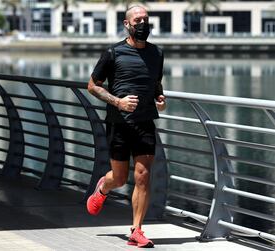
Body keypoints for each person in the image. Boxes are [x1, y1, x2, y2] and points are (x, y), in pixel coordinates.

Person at [86, 4, 166, 248]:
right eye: (137, 20)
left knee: (143, 176)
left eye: (146, 20)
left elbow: (156, 84)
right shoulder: (113, 53)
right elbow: (92, 85)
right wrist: (117, 101)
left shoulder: (157, 53)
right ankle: (103, 186)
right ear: (127, 24)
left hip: (144, 122)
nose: (143, 24)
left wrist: (160, 99)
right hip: (119, 123)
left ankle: (137, 230)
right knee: (119, 179)